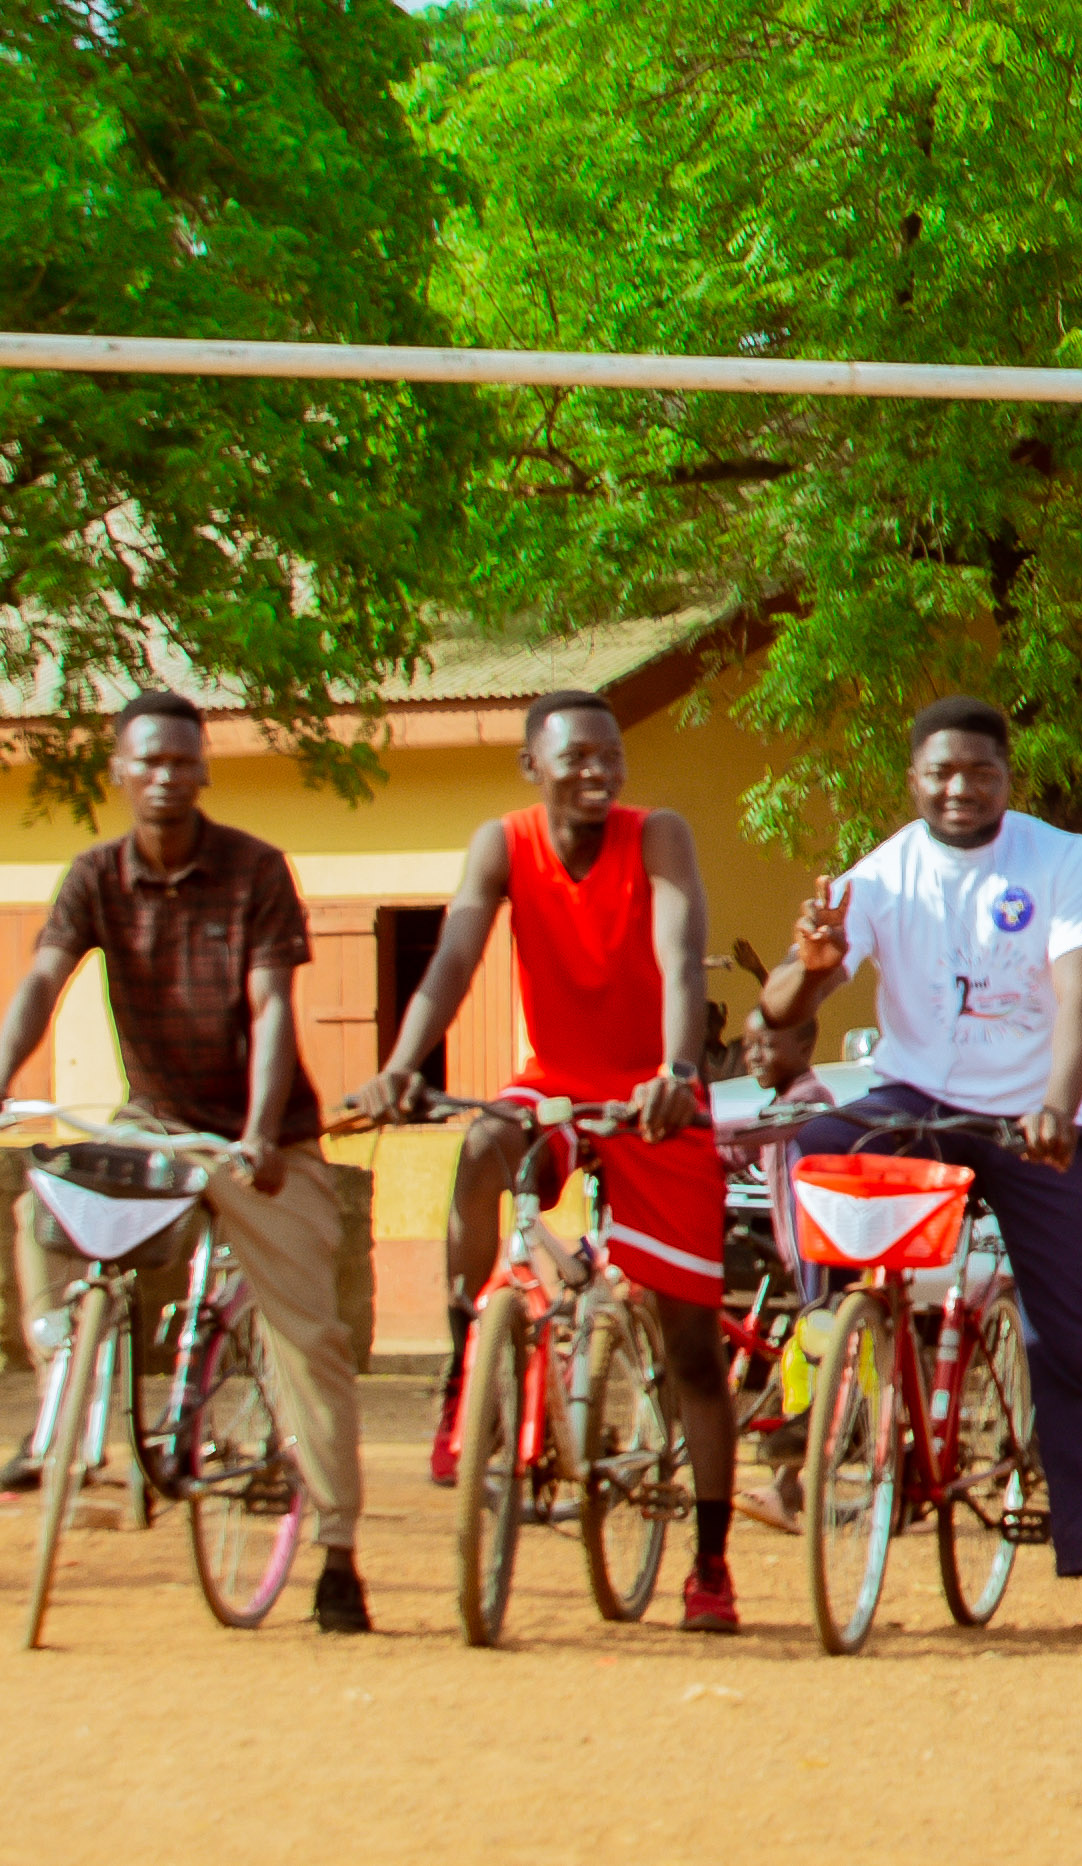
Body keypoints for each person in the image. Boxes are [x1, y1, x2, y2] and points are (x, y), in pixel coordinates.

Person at [754, 697, 1082, 1644]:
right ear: (914, 780)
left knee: (1075, 1343)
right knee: (811, 1144)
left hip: (1031, 1118)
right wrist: (809, 961)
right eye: (940, 774)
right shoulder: (882, 875)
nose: (960, 789)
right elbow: (788, 1006)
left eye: (979, 773)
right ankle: (828, 1320)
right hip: (913, 1099)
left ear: (1007, 777)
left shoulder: (1062, 860)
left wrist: (1057, 1107)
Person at [348, 688, 740, 1630]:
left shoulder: (660, 836)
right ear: (534, 765)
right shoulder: (503, 843)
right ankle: (462, 1370)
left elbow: (681, 953)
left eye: (611, 755)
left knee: (692, 1346)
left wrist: (679, 1070)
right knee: (483, 1144)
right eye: (575, 757)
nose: (598, 771)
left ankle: (712, 1564)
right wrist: (403, 1068)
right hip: (557, 1081)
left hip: (655, 1093)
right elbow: (451, 960)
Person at [0, 692, 372, 1633]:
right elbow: (43, 980)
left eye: (181, 762)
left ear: (203, 771)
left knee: (310, 1339)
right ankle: (64, 1406)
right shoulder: (93, 878)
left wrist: (257, 1133)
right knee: (44, 1213)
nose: (164, 777)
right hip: (154, 1122)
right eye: (147, 762)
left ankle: (336, 1551)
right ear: (119, 774)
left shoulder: (252, 871)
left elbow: (272, 1007)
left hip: (261, 1139)